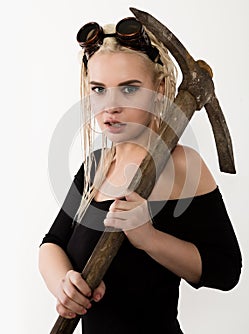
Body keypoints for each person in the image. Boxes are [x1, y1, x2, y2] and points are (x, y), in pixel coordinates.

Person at [39, 16, 242, 334]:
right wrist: (64, 282)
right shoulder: (96, 167)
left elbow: (226, 271)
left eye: (129, 89)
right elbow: (52, 243)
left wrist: (150, 239)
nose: (112, 105)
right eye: (99, 89)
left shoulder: (183, 167)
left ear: (159, 89)